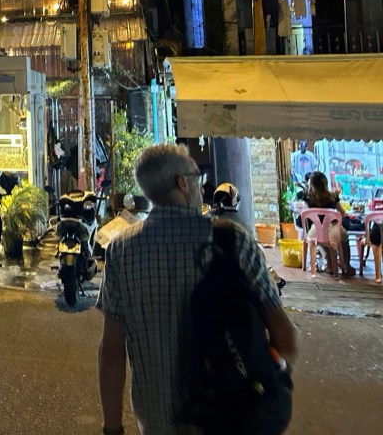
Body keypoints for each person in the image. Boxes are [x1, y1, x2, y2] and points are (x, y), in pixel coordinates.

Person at [97, 144, 296, 435]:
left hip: (157, 421)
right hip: (231, 417)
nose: (202, 187)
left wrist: (112, 428)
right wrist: (273, 383)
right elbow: (285, 336)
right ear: (182, 183)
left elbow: (111, 351)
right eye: (197, 178)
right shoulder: (233, 241)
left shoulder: (120, 250)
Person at [304, 170, 355, 276]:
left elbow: (305, 214)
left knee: (320, 238)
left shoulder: (307, 198)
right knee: (344, 238)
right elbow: (342, 213)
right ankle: (347, 265)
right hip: (334, 229)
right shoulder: (333, 197)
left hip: (316, 230)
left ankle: (330, 264)